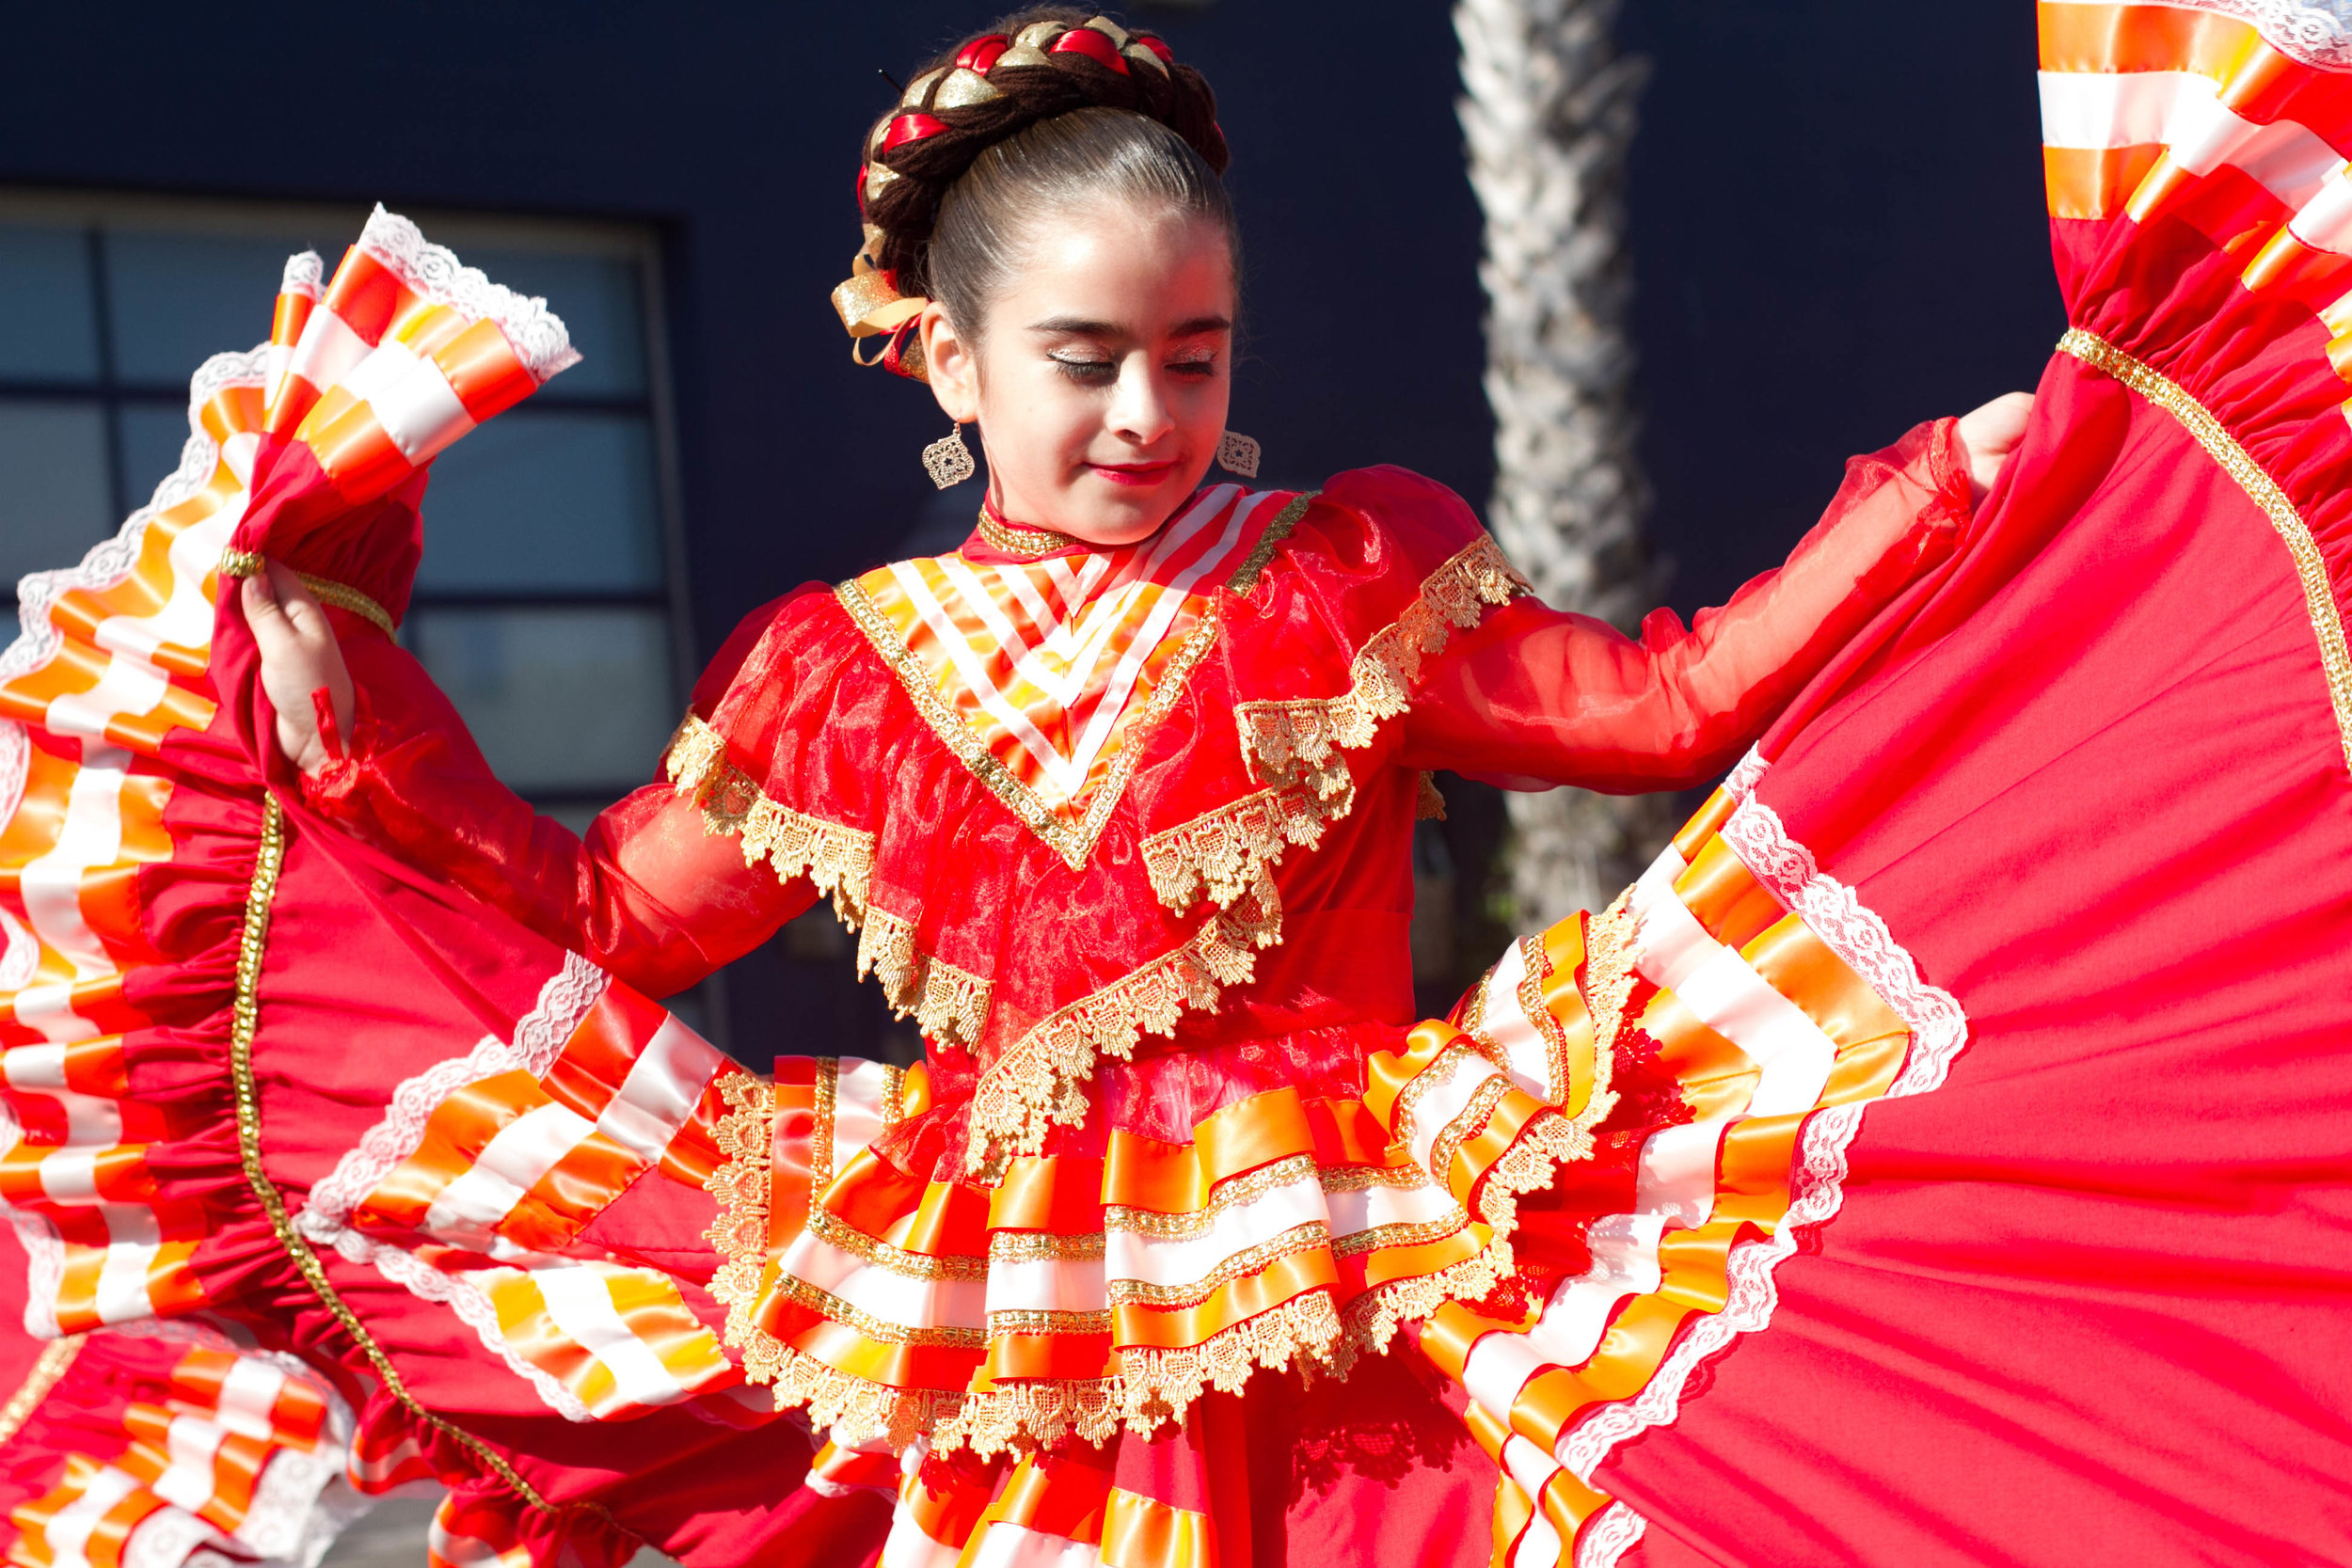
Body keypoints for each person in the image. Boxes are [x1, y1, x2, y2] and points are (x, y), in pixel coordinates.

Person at [26, 2, 2345, 1565]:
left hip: (1356, 1277)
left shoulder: (1337, 565)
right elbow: (620, 916)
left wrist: (1939, 492)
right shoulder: (832, 667)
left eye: (1192, 353)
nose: (1143, 411)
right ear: (942, 357)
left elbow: (1654, 707)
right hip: (985, 1314)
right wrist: (373, 732)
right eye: (1084, 360)